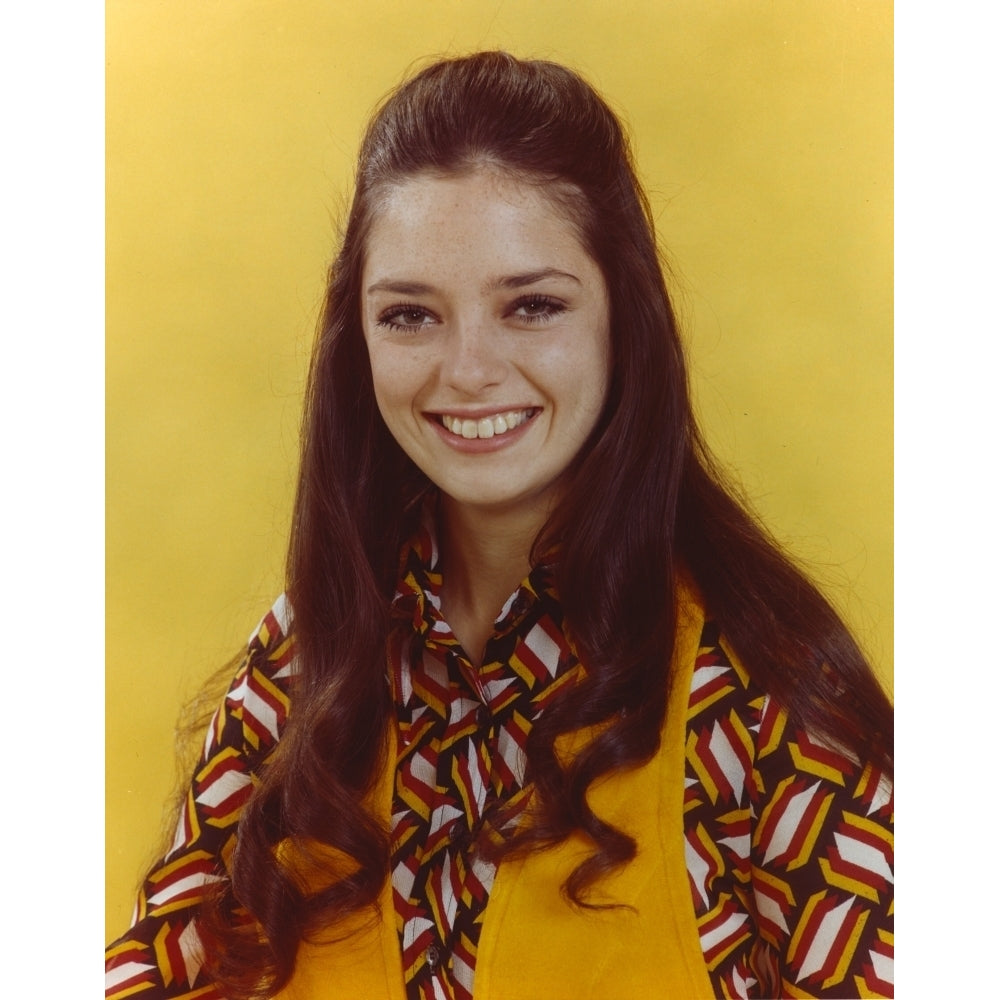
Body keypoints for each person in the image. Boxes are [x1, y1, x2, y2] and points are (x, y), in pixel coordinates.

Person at [105, 51, 893, 1000]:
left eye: (532, 306)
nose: (468, 369)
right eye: (410, 316)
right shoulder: (308, 664)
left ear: (623, 318)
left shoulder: (767, 697)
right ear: (356, 340)